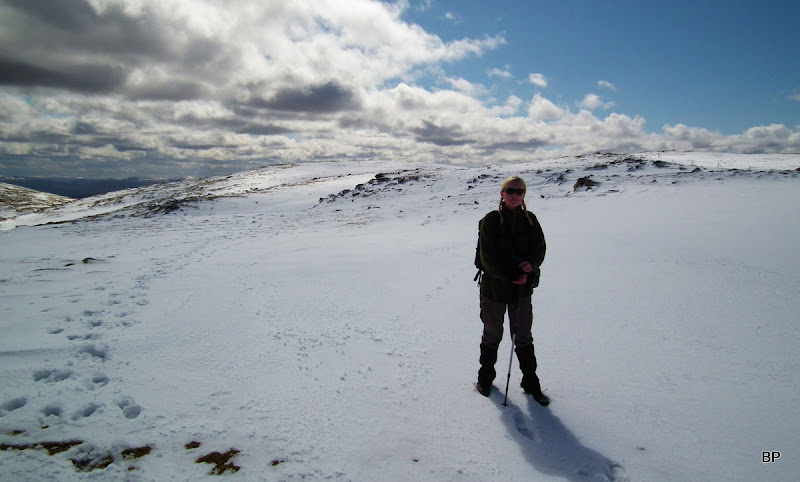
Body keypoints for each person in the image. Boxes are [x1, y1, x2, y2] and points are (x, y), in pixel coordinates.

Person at [475, 176, 549, 406]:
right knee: (492, 333)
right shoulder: (491, 220)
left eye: (519, 191)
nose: (514, 195)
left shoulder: (530, 220)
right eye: (510, 190)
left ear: (524, 195)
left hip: (522, 290)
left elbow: (539, 248)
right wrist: (512, 275)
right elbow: (487, 257)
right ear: (502, 194)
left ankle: (531, 383)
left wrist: (531, 265)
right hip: (494, 289)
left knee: (523, 336)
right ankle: (485, 378)